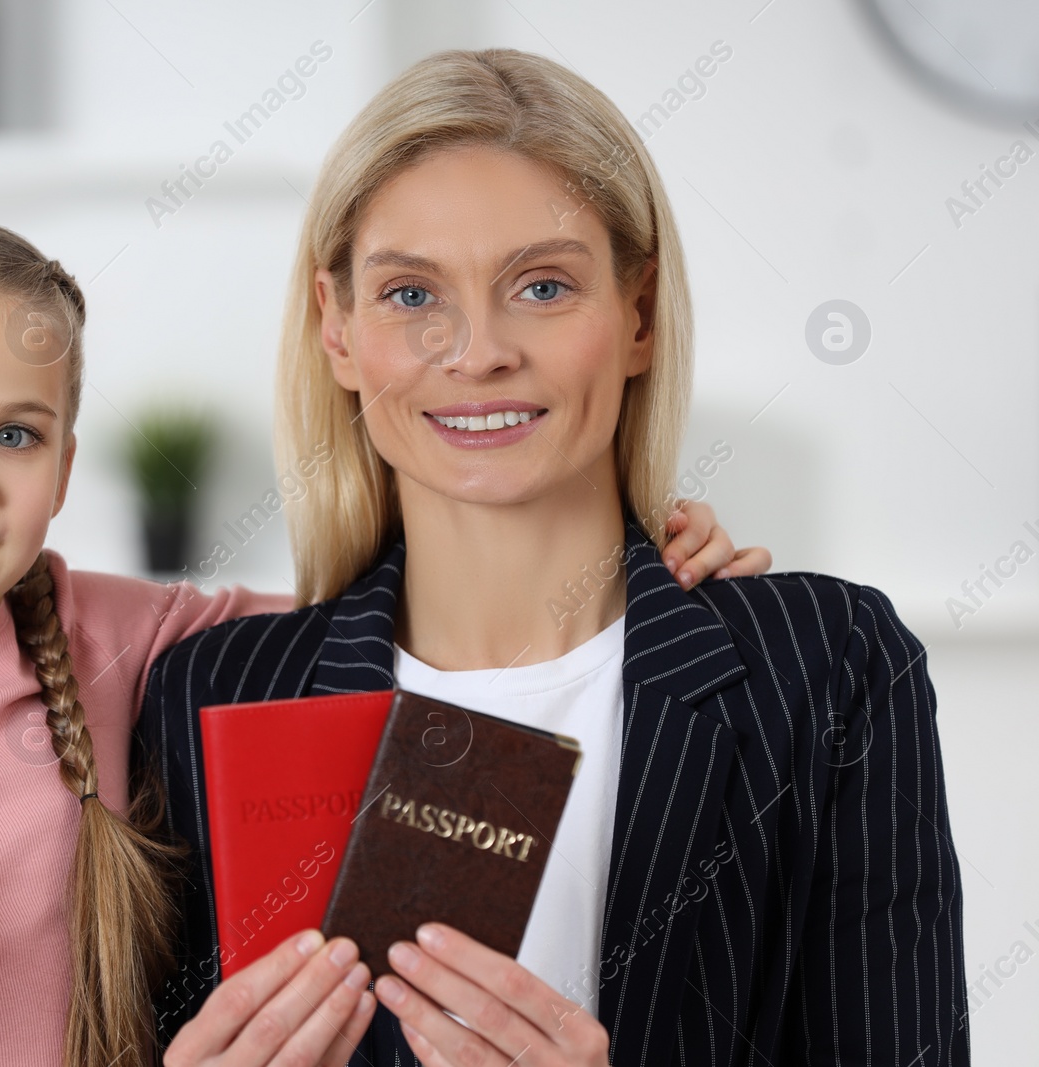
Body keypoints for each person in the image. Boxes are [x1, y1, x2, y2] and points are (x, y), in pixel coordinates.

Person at [0, 206, 754, 1067]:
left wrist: (608, 561)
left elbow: (387, 616)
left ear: (65, 466)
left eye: (15, 434)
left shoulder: (119, 636)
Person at [138, 49, 968, 1067]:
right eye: (409, 294)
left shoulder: (827, 664)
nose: (478, 349)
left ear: (639, 316)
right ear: (337, 329)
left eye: (540, 284)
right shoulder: (212, 694)